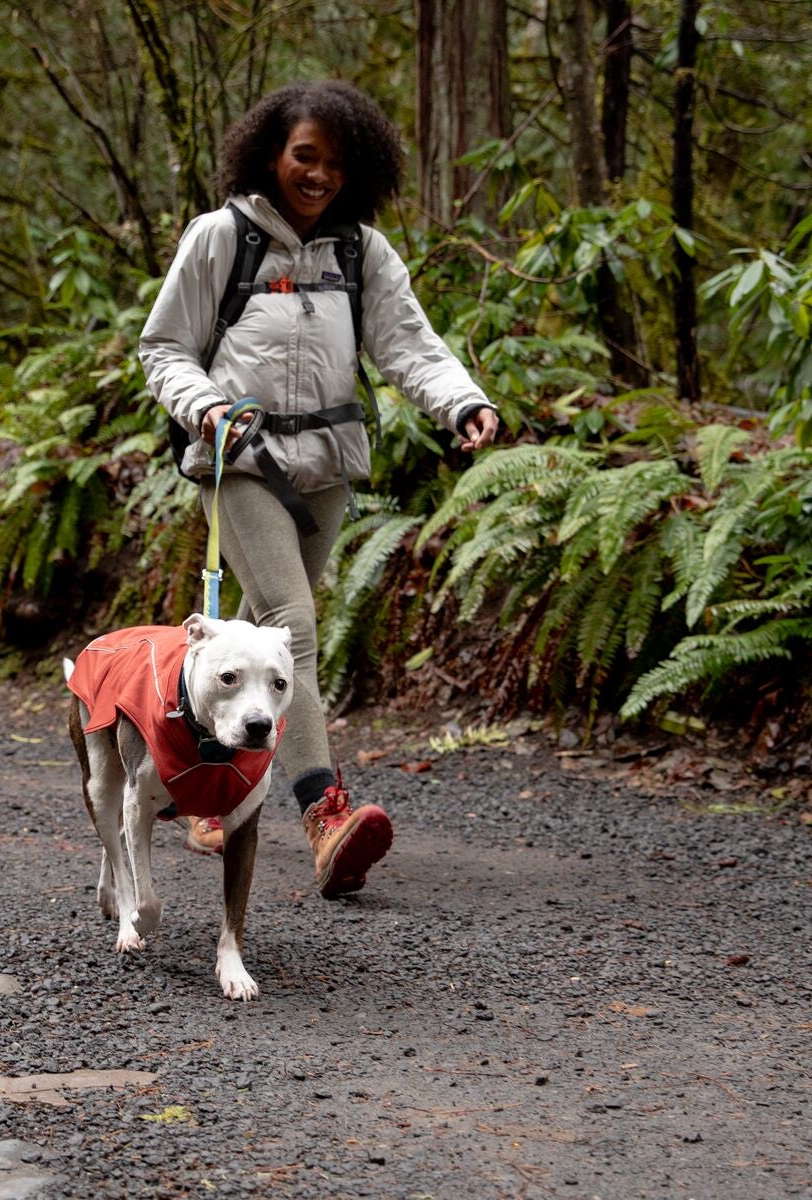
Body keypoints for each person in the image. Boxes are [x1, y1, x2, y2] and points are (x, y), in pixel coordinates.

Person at [139, 80, 499, 898]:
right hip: (240, 460)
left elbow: (408, 345)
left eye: (336, 163)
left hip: (327, 468)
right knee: (291, 627)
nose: (319, 175)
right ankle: (323, 814)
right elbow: (164, 348)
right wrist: (207, 409)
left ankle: (204, 784)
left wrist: (462, 402)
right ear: (271, 153)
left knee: (258, 634)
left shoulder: (360, 252)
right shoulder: (221, 238)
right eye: (305, 156)